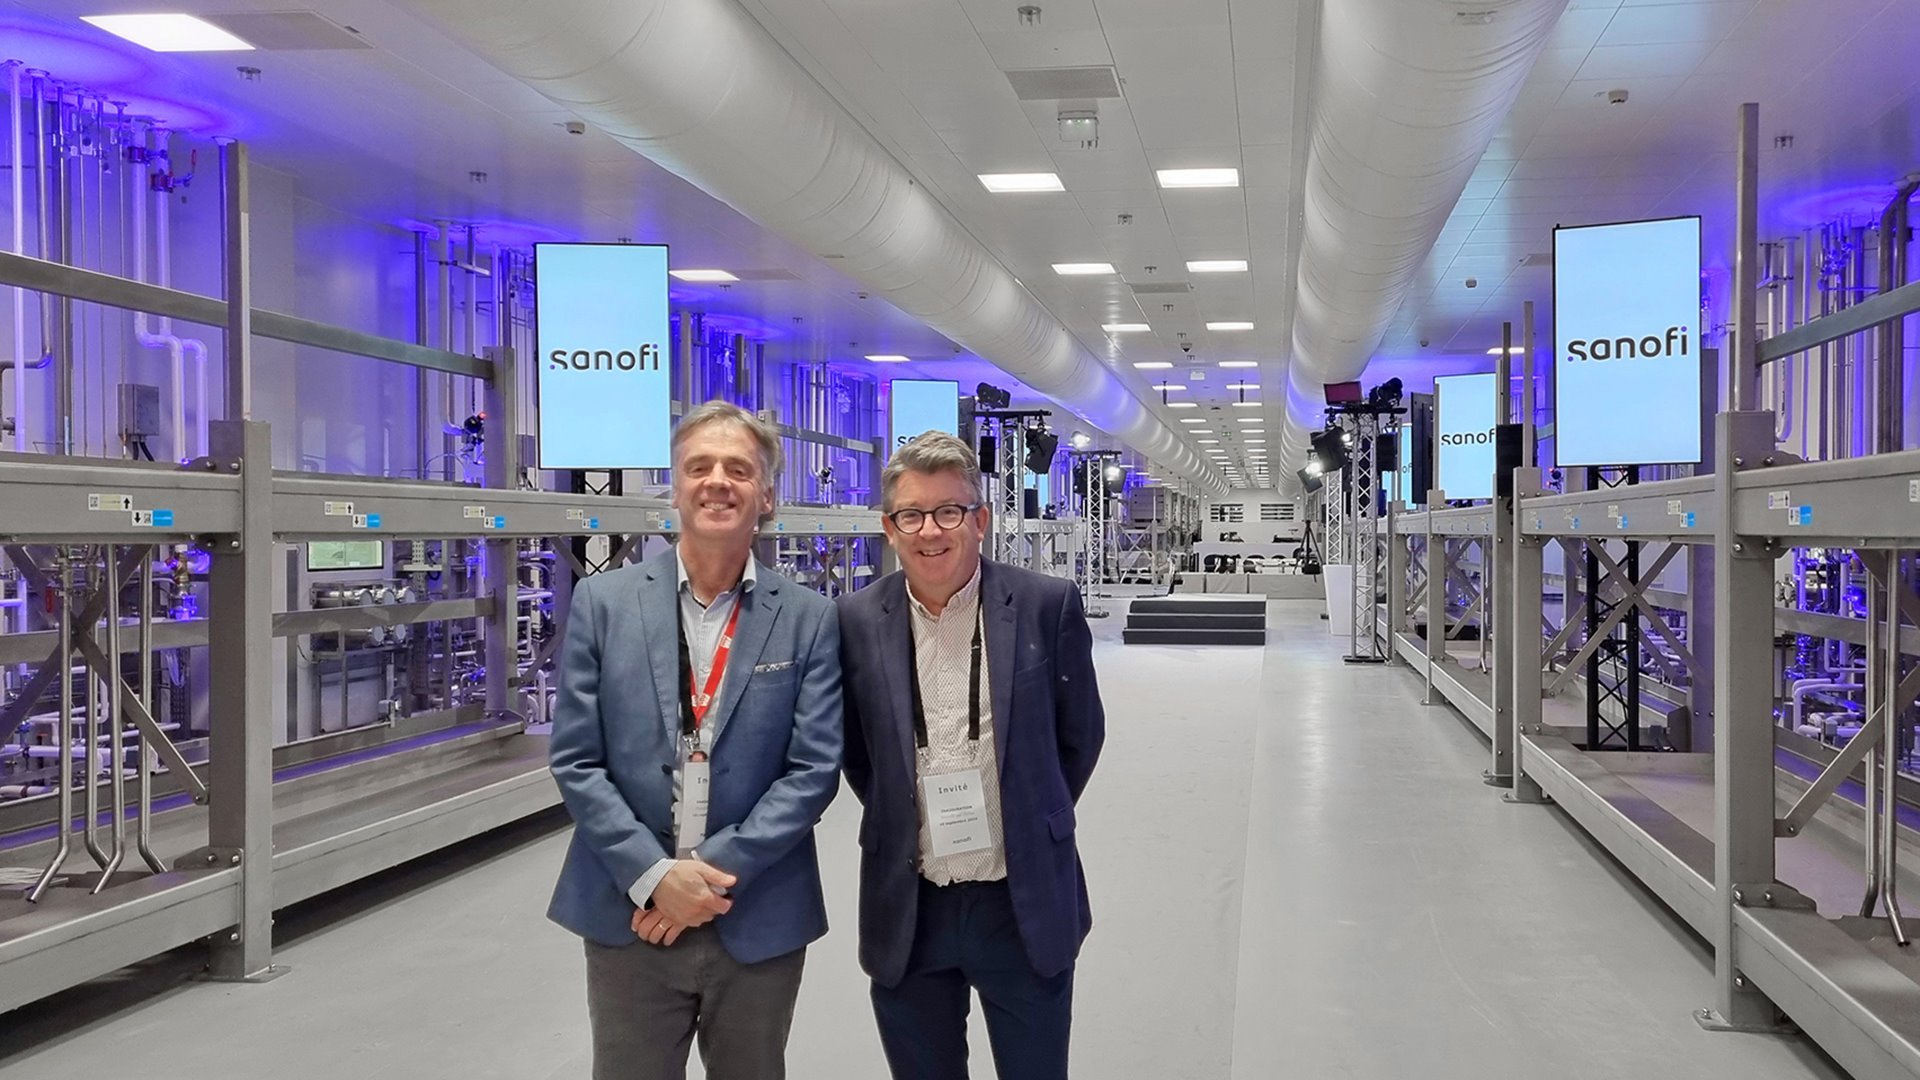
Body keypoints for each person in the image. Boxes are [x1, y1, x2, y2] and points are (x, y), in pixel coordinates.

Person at [547, 400, 843, 1080]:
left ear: (765, 495)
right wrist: (655, 879)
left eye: (739, 469)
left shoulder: (808, 619)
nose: (717, 481)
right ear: (674, 487)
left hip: (756, 909)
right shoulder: (605, 604)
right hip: (630, 913)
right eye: (698, 466)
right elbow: (576, 760)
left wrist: (702, 879)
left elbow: (812, 771)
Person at [837, 431, 1105, 1080]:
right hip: (910, 903)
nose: (931, 530)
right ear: (889, 526)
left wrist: (1026, 811)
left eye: (949, 511)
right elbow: (856, 753)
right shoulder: (852, 620)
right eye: (912, 514)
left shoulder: (1046, 606)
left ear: (979, 520)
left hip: (1022, 902)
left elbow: (1081, 737)